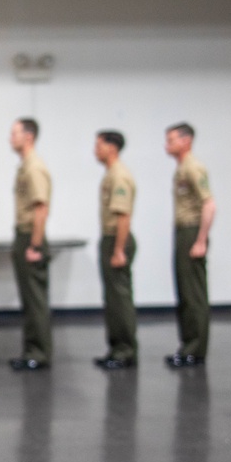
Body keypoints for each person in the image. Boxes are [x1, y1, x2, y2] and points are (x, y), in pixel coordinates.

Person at [163, 122, 215, 368]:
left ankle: (195, 349)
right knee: (184, 292)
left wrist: (201, 240)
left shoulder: (193, 168)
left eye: (171, 140)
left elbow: (209, 204)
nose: (167, 145)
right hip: (183, 231)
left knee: (193, 294)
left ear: (186, 141)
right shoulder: (182, 168)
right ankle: (187, 346)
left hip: (192, 231)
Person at [8, 117, 53, 371]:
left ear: (28, 136)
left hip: (30, 237)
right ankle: (32, 350)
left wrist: (35, 246)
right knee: (30, 298)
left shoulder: (34, 167)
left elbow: (41, 209)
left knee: (35, 300)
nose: (10, 138)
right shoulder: (26, 165)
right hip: (24, 235)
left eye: (14, 133)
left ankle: (39, 352)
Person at [92, 130, 139, 369]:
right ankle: (116, 348)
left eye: (99, 144)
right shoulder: (111, 174)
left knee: (119, 299)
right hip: (110, 239)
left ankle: (125, 351)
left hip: (116, 240)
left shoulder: (119, 175)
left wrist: (119, 250)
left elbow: (123, 216)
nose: (95, 149)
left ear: (112, 147)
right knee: (112, 298)